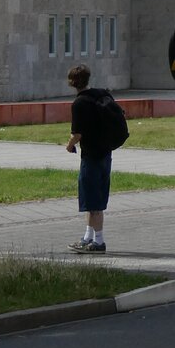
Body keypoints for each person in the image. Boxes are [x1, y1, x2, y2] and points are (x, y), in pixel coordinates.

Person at [66, 64, 112, 253]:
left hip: (91, 156)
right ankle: (88, 237)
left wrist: (69, 145)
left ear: (71, 82)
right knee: (93, 199)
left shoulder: (79, 103)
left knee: (93, 202)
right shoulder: (101, 95)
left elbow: (77, 134)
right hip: (106, 154)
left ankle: (99, 242)